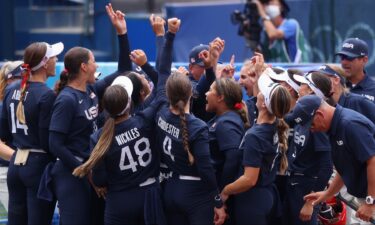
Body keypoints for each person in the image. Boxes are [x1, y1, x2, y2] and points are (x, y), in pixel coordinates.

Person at [46, 4, 130, 224]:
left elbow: (123, 71)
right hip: (73, 176)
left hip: (91, 171)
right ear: (84, 67)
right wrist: (83, 169)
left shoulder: (91, 90)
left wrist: (121, 33)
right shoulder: (66, 99)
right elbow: (55, 144)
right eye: (93, 61)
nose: (96, 65)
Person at [0, 41, 63, 224]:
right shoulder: (46, 95)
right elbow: (47, 142)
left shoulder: (12, 89)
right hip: (38, 166)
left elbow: (4, 133)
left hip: (15, 165)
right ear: (44, 63)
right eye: (53, 57)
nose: (56, 60)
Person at [220, 66, 292, 225]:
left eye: (261, 92)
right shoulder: (273, 124)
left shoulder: (255, 135)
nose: (257, 92)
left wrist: (225, 191)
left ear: (265, 104)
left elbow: (249, 179)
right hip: (266, 195)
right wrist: (260, 73)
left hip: (252, 201)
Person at [288, 95, 375, 223]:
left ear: (319, 114)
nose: (311, 129)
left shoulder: (349, 124)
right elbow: (345, 166)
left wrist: (371, 201)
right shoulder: (335, 127)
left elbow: (373, 160)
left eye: (311, 124)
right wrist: (328, 193)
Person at [335, 38, 375, 103]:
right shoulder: (335, 86)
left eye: (349, 58)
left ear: (364, 60)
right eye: (342, 57)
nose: (344, 62)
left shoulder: (373, 89)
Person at [0, 61, 24, 162]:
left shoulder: (26, 101)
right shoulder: (3, 105)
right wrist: (21, 159)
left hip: (20, 163)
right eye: (22, 78)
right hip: (7, 164)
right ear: (10, 80)